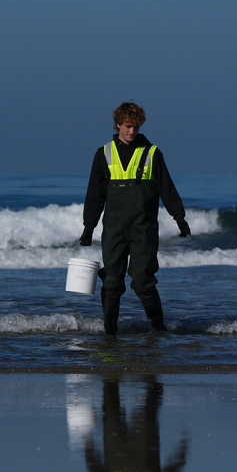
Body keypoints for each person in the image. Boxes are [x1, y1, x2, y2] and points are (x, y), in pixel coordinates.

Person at [80, 101, 190, 335]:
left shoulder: (152, 153)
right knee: (111, 283)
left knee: (142, 281)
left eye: (136, 127)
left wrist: (179, 217)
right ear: (118, 124)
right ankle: (110, 334)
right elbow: (94, 195)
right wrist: (88, 227)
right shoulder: (104, 154)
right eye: (128, 126)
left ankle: (158, 329)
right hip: (114, 230)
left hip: (144, 230)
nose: (132, 131)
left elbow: (166, 188)